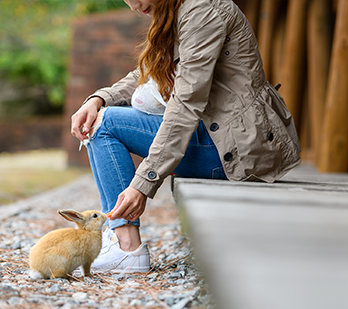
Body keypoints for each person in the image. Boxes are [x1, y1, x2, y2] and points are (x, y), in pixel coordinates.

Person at [71, 0, 301, 273]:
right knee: (99, 117)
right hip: (220, 135)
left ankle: (126, 247)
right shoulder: (178, 10)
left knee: (105, 124)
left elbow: (187, 103)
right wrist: (99, 97)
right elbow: (150, 74)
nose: (133, 5)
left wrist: (144, 182)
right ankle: (122, 242)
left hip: (237, 149)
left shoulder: (203, 11)